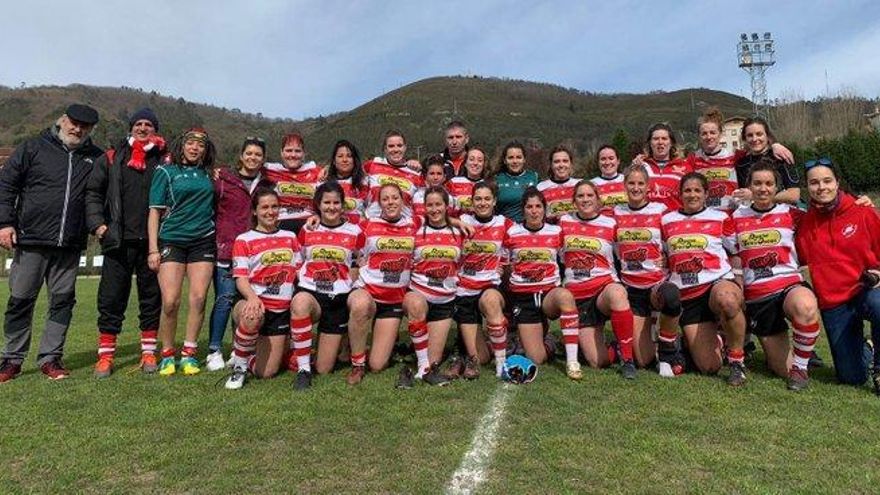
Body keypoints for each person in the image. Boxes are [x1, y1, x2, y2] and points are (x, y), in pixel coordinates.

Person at [0, 104, 102, 382]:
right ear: (62, 121)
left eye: (85, 126)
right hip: (31, 238)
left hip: (69, 244)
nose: (77, 129)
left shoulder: (96, 156)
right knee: (20, 300)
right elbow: (6, 185)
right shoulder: (32, 148)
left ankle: (51, 358)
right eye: (74, 123)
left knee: (62, 302)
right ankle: (11, 359)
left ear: (91, 129)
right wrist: (5, 223)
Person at [86, 107, 165, 378]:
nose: (143, 128)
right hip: (118, 240)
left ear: (156, 129)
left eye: (149, 125)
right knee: (111, 299)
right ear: (131, 127)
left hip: (153, 243)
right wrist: (98, 225)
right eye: (138, 124)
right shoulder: (111, 157)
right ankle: (106, 357)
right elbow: (93, 193)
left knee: (151, 299)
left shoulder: (165, 159)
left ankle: (148, 352)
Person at [730, 160, 820, 390]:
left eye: (769, 184)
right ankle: (789, 363)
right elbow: (726, 253)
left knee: (806, 306)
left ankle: (801, 369)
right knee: (782, 369)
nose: (763, 189)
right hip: (759, 297)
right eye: (757, 183)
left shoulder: (792, 213)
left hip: (789, 285)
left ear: (776, 187)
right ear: (749, 186)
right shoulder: (735, 218)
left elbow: (828, 217)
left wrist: (860, 202)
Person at [347, 183, 447, 386]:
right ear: (379, 202)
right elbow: (345, 241)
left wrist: (456, 221)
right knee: (359, 305)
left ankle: (415, 361)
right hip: (368, 292)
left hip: (393, 300)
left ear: (403, 201)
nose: (390, 202)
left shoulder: (415, 223)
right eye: (385, 199)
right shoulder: (367, 225)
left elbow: (440, 218)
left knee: (377, 365)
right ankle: (357, 364)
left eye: (395, 198)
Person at [796, 158, 880, 393]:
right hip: (834, 302)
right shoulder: (804, 223)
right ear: (807, 187)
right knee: (850, 377)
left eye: (827, 181)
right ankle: (869, 347)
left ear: (837, 183)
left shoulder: (863, 212)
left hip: (866, 290)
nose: (821, 187)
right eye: (814, 183)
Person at [662, 172, 748, 386]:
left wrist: (738, 282)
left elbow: (736, 251)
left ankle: (737, 362)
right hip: (687, 294)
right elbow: (661, 254)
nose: (692, 195)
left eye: (697, 190)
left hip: (716, 283)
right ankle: (711, 341)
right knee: (710, 366)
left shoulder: (720, 217)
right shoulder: (666, 220)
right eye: (687, 190)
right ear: (680, 194)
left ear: (706, 193)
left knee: (728, 301)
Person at [147, 127, 216, 376]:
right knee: (170, 301)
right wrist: (153, 249)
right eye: (191, 143)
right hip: (171, 241)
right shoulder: (165, 171)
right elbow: (154, 212)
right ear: (182, 145)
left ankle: (189, 353)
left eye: (201, 144)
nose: (195, 148)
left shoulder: (209, 175)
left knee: (198, 299)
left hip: (203, 241)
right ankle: (167, 354)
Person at [225, 188, 305, 390]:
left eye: (275, 207)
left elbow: (298, 272)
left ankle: (249, 352)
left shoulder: (290, 237)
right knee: (252, 315)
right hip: (255, 303)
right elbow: (241, 278)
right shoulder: (244, 239)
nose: (270, 212)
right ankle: (240, 367)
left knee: (267, 372)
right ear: (254, 211)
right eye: (265, 207)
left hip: (280, 311)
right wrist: (252, 298)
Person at [207, 136, 274, 371]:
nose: (253, 157)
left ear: (264, 159)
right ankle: (214, 350)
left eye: (258, 154)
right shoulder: (224, 179)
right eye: (249, 153)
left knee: (248, 301)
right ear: (241, 156)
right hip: (227, 250)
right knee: (224, 300)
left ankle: (240, 349)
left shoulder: (267, 183)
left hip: (256, 252)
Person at [291, 182, 367, 384]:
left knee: (324, 369)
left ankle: (319, 350)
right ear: (318, 204)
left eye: (336, 203)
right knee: (300, 303)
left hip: (337, 299)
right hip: (311, 294)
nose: (331, 207)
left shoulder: (356, 232)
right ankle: (303, 370)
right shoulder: (308, 229)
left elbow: (361, 262)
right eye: (326, 203)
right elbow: (297, 260)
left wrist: (350, 279)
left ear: (343, 205)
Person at [559, 180, 637, 379]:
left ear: (598, 199)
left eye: (589, 195)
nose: (585, 200)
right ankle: (612, 348)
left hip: (602, 290)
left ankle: (627, 360)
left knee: (618, 292)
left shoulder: (611, 224)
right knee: (596, 362)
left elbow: (627, 251)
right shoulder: (563, 222)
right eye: (580, 196)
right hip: (576, 298)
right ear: (574, 201)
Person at [613, 165, 682, 375]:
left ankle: (669, 351)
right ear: (624, 186)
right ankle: (648, 337)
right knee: (643, 360)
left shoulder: (661, 211)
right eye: (631, 183)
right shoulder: (615, 213)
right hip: (631, 286)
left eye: (640, 183)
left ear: (648, 186)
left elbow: (674, 243)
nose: (635, 188)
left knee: (671, 296)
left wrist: (668, 262)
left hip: (655, 284)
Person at [504, 187, 580, 367]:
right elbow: (505, 266)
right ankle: (549, 343)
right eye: (529, 207)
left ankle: (572, 362)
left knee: (565, 296)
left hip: (548, 295)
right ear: (523, 209)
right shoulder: (512, 232)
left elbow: (565, 259)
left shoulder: (556, 232)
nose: (534, 211)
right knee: (536, 359)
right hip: (523, 298)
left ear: (545, 209)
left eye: (538, 206)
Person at [397, 186, 463, 387]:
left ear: (447, 206)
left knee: (434, 359)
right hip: (419, 294)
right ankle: (423, 368)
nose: (434, 209)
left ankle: (417, 355)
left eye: (438, 204)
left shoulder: (461, 231)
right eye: (430, 205)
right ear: (424, 207)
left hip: (444, 301)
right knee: (416, 305)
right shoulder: (415, 229)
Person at [687, 108, 793, 214]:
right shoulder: (692, 159)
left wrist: (775, 144)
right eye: (704, 133)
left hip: (731, 215)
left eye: (712, 132)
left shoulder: (735, 155)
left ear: (720, 134)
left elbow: (757, 147)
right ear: (699, 136)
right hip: (704, 214)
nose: (709, 137)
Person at [455, 181, 511, 378]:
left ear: (494, 201)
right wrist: (455, 223)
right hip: (464, 289)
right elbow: (434, 216)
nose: (482, 203)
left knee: (490, 300)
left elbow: (525, 238)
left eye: (487, 199)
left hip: (490, 286)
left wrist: (505, 264)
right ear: (471, 201)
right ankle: (493, 343)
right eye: (478, 199)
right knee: (480, 358)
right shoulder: (462, 219)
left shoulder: (504, 223)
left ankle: (501, 363)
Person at [733, 117, 801, 206]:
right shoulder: (741, 164)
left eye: (759, 134)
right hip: (754, 215)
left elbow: (794, 195)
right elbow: (743, 195)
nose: (754, 139)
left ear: (767, 136)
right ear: (744, 138)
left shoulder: (781, 157)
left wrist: (755, 196)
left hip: (782, 213)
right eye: (750, 135)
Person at [263, 132, 321, 233]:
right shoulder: (269, 170)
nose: (293, 155)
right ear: (281, 152)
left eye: (297, 151)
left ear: (304, 153)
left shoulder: (315, 171)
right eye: (288, 151)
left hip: (310, 225)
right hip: (279, 224)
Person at [364, 130, 424, 219]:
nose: (396, 150)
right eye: (391, 146)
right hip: (374, 225)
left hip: (402, 227)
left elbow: (421, 205)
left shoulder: (415, 173)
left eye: (399, 146)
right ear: (385, 149)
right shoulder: (373, 164)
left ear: (405, 148)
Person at [635, 123, 693, 211]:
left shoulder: (685, 167)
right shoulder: (640, 166)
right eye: (655, 139)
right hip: (647, 220)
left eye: (664, 139)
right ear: (650, 143)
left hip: (675, 220)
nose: (660, 142)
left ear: (671, 143)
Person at [325, 140, 368, 224]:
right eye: (340, 156)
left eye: (349, 156)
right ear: (333, 161)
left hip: (358, 230)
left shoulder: (365, 182)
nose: (345, 160)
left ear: (354, 160)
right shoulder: (324, 183)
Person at [495, 141, 538, 223]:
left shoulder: (534, 177)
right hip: (505, 229)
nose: (515, 161)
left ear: (524, 159)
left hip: (528, 229)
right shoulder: (497, 179)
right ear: (505, 160)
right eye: (511, 158)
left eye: (519, 157)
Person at [537, 145, 580, 223]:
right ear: (551, 165)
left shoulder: (580, 185)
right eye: (557, 161)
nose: (561, 165)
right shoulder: (541, 188)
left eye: (565, 161)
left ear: (571, 163)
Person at [447, 146, 489, 216]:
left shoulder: (488, 184)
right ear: (465, 163)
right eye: (471, 159)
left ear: (484, 164)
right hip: (457, 224)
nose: (475, 163)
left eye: (480, 160)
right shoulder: (453, 182)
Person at [590, 145, 627, 215]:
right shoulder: (591, 185)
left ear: (618, 161)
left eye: (611, 158)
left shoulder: (627, 180)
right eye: (603, 159)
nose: (607, 162)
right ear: (598, 162)